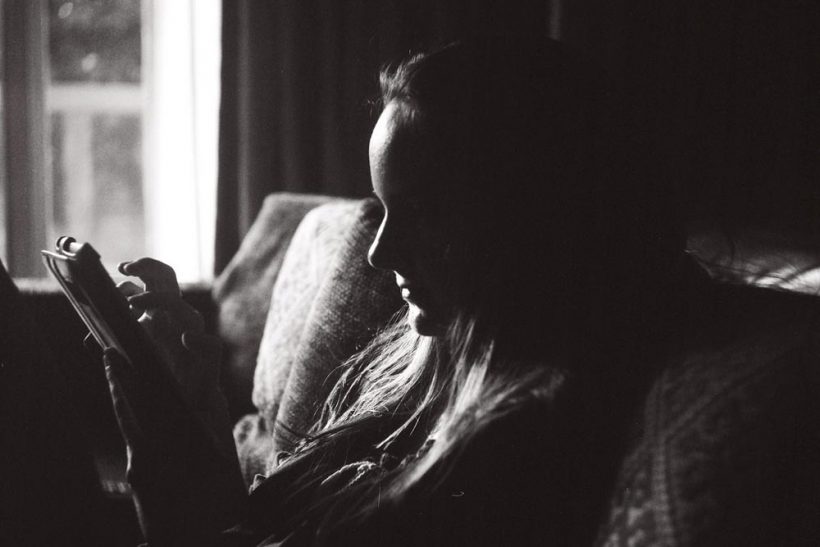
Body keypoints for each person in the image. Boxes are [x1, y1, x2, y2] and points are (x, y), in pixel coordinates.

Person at [105, 38, 693, 546]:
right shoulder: (421, 367)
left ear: (530, 218)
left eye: (422, 212)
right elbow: (251, 524)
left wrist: (153, 449)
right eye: (384, 209)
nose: (379, 254)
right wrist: (195, 408)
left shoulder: (515, 445)